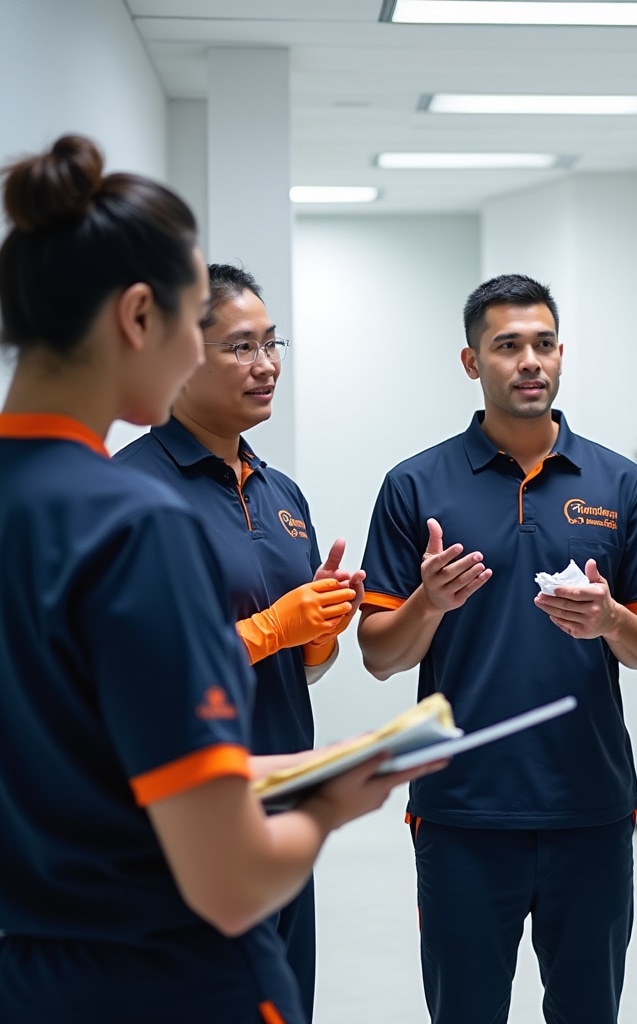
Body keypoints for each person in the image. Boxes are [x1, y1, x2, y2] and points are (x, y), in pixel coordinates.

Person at [0, 134, 441, 1024]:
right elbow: (232, 882)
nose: (262, 361)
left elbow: (91, 744)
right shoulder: (130, 519)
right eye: (208, 324)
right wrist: (330, 803)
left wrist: (298, 717)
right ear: (138, 318)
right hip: (163, 968)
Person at [356, 273, 637, 1024]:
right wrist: (429, 603)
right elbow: (379, 655)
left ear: (561, 355)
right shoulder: (414, 485)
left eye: (543, 344)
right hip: (461, 811)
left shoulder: (619, 483)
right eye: (507, 346)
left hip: (591, 807)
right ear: (473, 363)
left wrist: (612, 623)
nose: (529, 360)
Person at [114, 264, 357, 1017]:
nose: (267, 365)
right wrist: (269, 627)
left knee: (285, 1001)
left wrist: (318, 632)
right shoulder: (132, 491)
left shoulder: (282, 493)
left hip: (283, 797)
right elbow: (131, 671)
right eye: (242, 347)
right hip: (188, 813)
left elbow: (303, 668)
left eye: (272, 343)